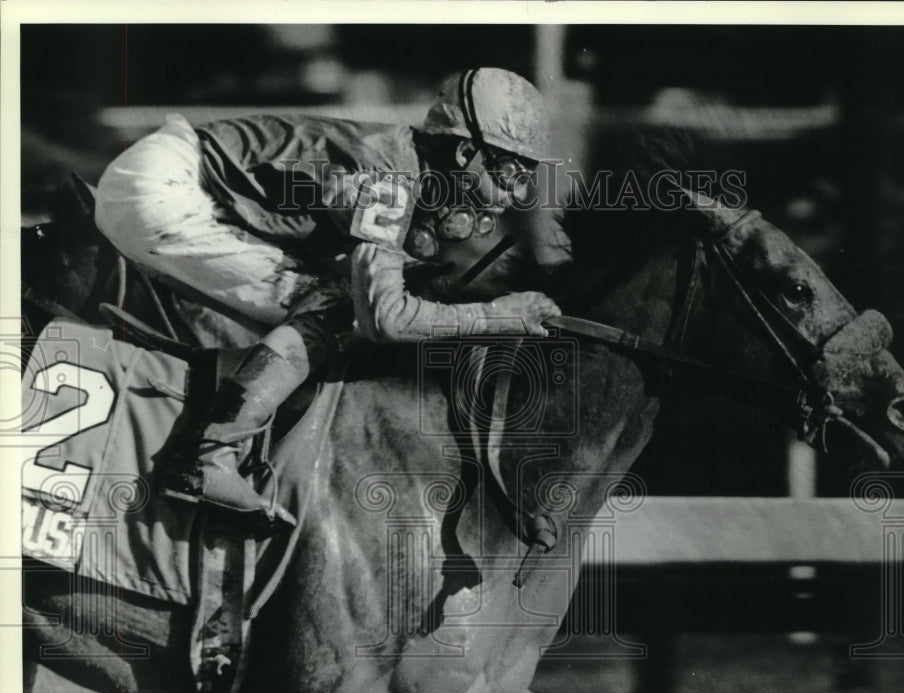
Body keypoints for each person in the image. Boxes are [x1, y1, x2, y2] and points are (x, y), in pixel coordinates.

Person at [94, 68, 562, 525]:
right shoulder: (389, 181)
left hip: (177, 177)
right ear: (465, 154)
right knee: (340, 308)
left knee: (333, 299)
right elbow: (387, 319)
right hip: (166, 189)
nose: (514, 195)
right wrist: (498, 316)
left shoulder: (405, 166)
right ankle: (208, 455)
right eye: (510, 174)